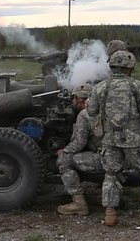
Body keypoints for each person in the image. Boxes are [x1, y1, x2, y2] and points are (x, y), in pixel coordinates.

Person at [86, 50, 140, 225]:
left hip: (110, 138)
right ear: (128, 68)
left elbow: (90, 110)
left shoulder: (101, 87)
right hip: (134, 138)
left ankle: (110, 213)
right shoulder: (136, 86)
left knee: (111, 173)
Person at [56, 83, 102, 216]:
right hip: (118, 156)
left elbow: (78, 144)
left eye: (74, 98)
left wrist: (63, 151)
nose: (72, 101)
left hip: (105, 159)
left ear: (82, 99)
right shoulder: (104, 108)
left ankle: (79, 204)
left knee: (64, 160)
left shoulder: (85, 114)